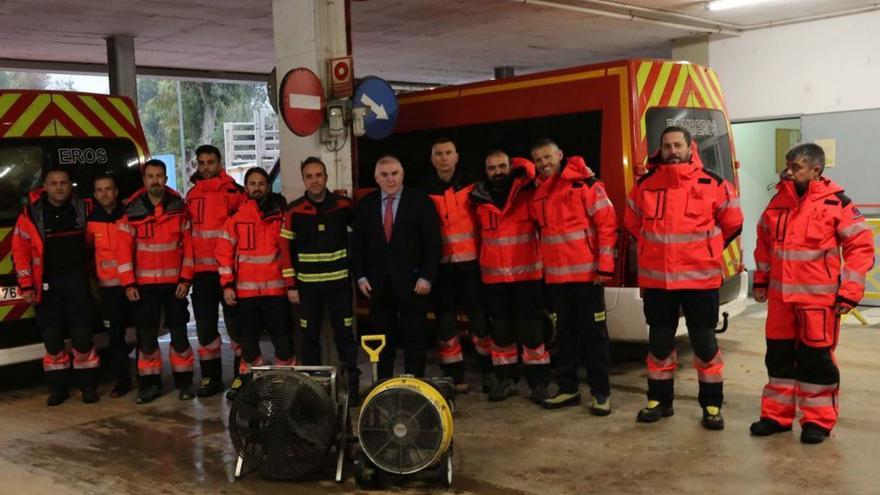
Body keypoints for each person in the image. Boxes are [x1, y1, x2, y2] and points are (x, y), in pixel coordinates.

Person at [751, 143, 874, 444]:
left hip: (818, 302)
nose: (789, 172)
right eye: (788, 165)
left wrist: (850, 291)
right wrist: (761, 281)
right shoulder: (777, 202)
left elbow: (861, 247)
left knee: (816, 361)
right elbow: (764, 243)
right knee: (778, 359)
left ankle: (817, 422)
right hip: (781, 303)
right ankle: (776, 417)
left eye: (796, 167)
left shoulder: (837, 204)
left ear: (816, 170)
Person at [624, 126, 743, 430]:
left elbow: (733, 224)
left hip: (700, 282)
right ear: (660, 150)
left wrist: (707, 249)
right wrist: (655, 250)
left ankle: (712, 404)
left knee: (705, 346)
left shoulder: (714, 184)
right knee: (660, 344)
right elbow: (633, 224)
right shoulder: (645, 186)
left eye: (678, 145)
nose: (672, 151)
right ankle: (659, 401)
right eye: (667, 146)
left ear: (691, 148)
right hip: (658, 283)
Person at [529, 139, 617, 414]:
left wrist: (605, 266)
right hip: (557, 280)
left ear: (560, 155)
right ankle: (568, 389)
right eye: (538, 160)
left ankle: (600, 393)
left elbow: (607, 222)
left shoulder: (585, 184)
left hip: (588, 277)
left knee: (594, 337)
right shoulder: (538, 193)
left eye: (548, 157)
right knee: (564, 337)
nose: (544, 163)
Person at [12, 168, 99, 406]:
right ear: (45, 187)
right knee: (52, 339)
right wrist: (27, 285)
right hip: (47, 283)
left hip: (77, 280)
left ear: (70, 186)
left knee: (83, 337)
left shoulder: (83, 208)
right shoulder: (31, 214)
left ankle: (88, 387)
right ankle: (58, 389)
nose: (59, 187)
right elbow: (19, 252)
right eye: (54, 183)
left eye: (63, 183)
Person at [470, 151, 550, 404]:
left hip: (527, 276)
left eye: (502, 166)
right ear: (486, 171)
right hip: (494, 280)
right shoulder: (478, 199)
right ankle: (506, 380)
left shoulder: (528, 192)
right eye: (491, 168)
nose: (497, 171)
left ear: (511, 166)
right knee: (501, 334)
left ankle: (538, 383)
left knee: (532, 333)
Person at [352, 155, 441, 379]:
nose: (390, 179)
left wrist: (427, 277)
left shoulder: (421, 201)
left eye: (394, 174)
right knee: (382, 341)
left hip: (414, 284)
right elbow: (357, 245)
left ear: (402, 175)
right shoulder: (366, 205)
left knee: (415, 339)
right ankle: (383, 385)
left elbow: (433, 243)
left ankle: (415, 385)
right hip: (378, 286)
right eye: (384, 175)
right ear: (376, 177)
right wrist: (361, 277)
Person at [117, 159, 195, 404]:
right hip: (144, 287)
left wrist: (186, 278)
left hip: (175, 284)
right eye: (150, 176)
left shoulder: (179, 209)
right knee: (147, 338)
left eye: (159, 176)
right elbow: (123, 252)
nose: (155, 181)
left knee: (180, 336)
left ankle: (184, 383)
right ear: (144, 180)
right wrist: (128, 283)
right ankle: (150, 385)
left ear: (166, 178)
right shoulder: (130, 211)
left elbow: (189, 248)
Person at [286, 157, 361, 402]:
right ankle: (313, 392)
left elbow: (360, 241)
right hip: (308, 290)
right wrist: (291, 286)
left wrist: (358, 274)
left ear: (326, 177)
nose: (314, 180)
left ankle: (352, 387)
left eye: (318, 175)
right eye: (309, 176)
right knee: (309, 340)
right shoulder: (294, 210)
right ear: (303, 180)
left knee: (345, 337)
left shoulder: (343, 206)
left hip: (340, 286)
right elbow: (284, 249)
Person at [421, 138, 491, 394]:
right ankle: (454, 377)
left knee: (480, 323)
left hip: (472, 264)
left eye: (448, 152)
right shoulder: (424, 190)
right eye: (438, 153)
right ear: (432, 159)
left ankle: (489, 372)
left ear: (457, 156)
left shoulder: (473, 185)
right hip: (443, 268)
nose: (444, 158)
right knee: (446, 325)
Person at [216, 167, 296, 393]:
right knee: (248, 346)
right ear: (246, 187)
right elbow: (223, 253)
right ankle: (252, 387)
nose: (257, 187)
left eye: (261, 183)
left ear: (268, 187)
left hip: (276, 293)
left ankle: (285, 386)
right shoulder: (236, 219)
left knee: (284, 344)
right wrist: (227, 285)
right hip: (246, 295)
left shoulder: (281, 215)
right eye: (252, 183)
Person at [185, 144, 245, 398]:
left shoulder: (235, 192)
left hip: (229, 272)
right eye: (202, 162)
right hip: (202, 273)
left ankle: (242, 377)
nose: (206, 167)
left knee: (237, 327)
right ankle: (211, 377)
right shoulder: (191, 195)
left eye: (211, 162)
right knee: (205, 327)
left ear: (220, 164)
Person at [87, 174, 133, 398]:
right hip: (108, 289)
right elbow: (88, 251)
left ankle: (148, 379)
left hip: (133, 285)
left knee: (143, 333)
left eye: (108, 189)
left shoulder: (129, 216)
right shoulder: (91, 221)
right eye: (100, 190)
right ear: (95, 195)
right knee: (115, 338)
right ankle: (122, 381)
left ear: (116, 192)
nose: (104, 193)